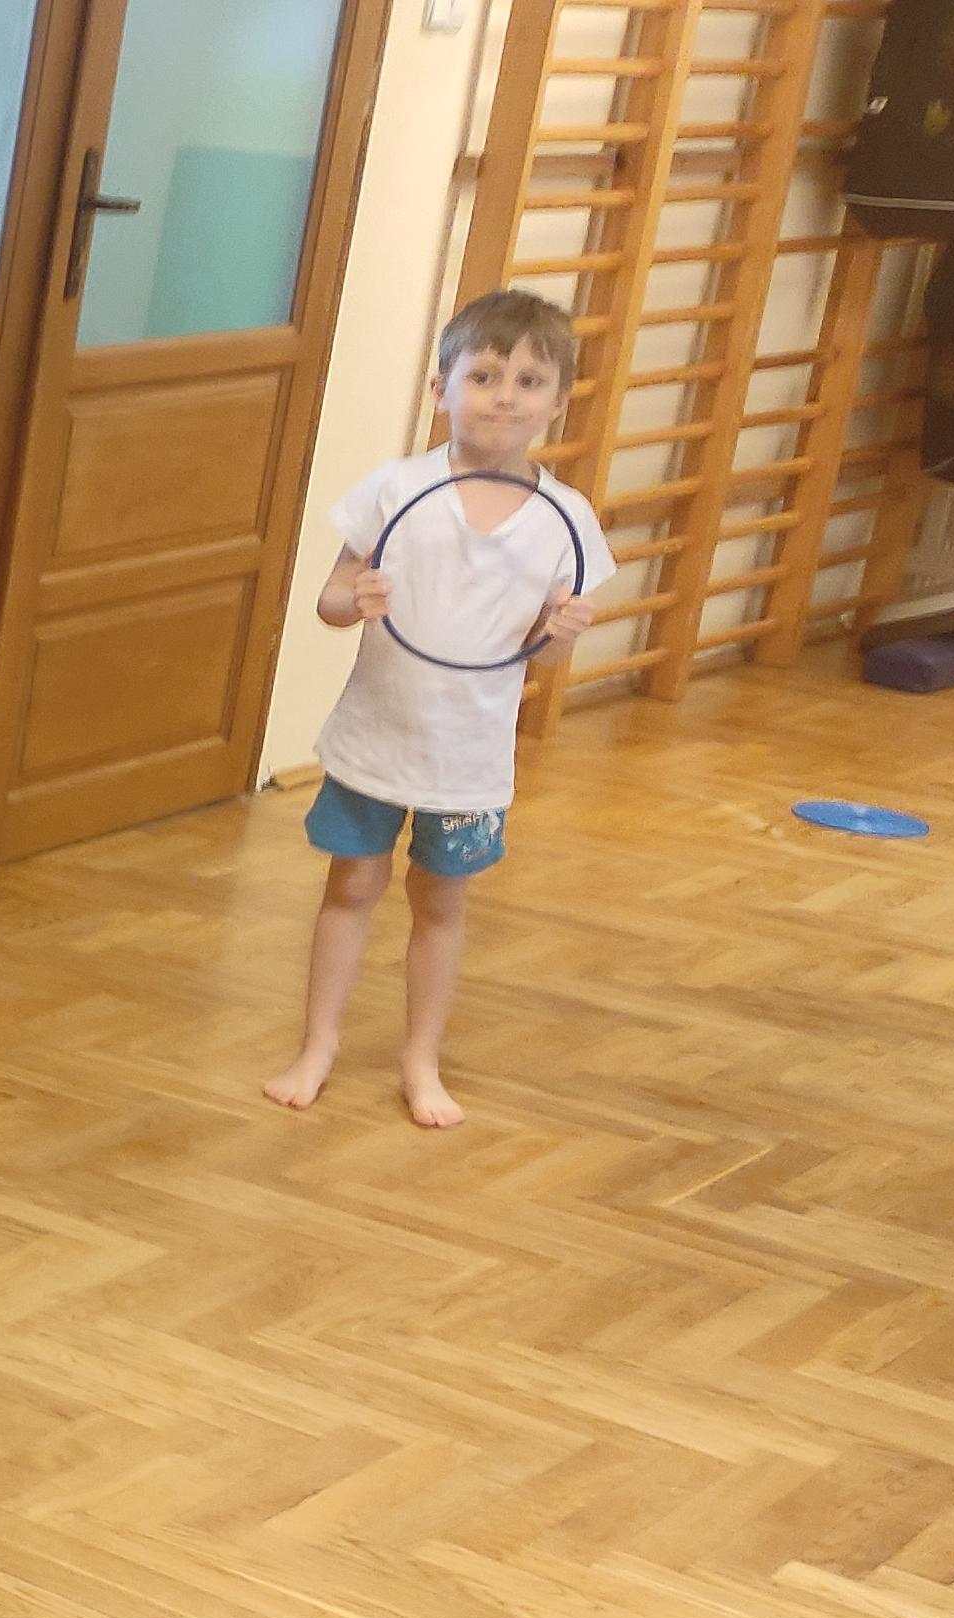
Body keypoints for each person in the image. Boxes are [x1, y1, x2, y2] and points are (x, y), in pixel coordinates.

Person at [265, 289, 614, 1130]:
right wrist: (353, 600)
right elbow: (330, 600)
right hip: (375, 742)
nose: (504, 397)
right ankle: (318, 1046)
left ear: (558, 402)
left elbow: (539, 655)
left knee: (441, 903)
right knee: (352, 885)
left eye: (529, 381)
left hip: (469, 758)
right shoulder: (395, 489)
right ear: (441, 389)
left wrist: (559, 633)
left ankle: (420, 1060)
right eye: (484, 376)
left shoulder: (566, 520)